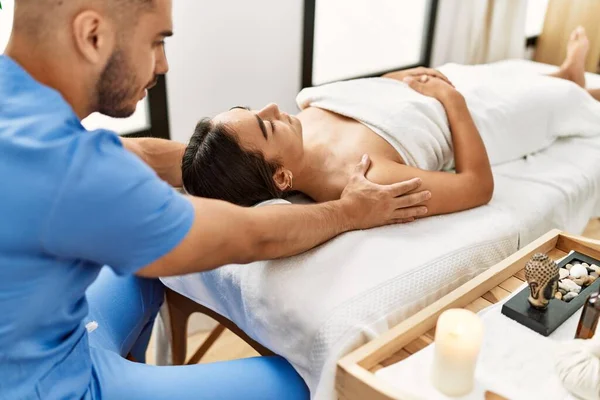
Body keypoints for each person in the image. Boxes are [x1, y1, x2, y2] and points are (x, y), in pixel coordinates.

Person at [0, 0, 432, 399]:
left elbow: (142, 155)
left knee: (143, 276)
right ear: (93, 35)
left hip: (49, 339)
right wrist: (349, 211)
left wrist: (233, 160)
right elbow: (249, 238)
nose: (163, 64)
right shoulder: (71, 170)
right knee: (307, 382)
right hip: (53, 387)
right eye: (156, 42)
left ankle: (134, 368)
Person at [183, 27, 600, 216]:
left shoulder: (304, 113)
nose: (273, 108)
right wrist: (452, 101)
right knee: (569, 102)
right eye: (266, 126)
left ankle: (567, 74)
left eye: (256, 110)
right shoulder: (362, 177)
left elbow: (370, 94)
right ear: (281, 180)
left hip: (441, 85)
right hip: (481, 118)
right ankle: (574, 85)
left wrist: (405, 77)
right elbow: (477, 187)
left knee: (518, 71)